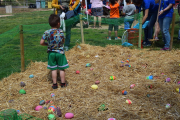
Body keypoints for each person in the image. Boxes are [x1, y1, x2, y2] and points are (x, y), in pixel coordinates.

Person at [40, 14, 69, 89]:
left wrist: (48, 44)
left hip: (51, 53)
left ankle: (55, 84)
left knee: (53, 69)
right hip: (60, 53)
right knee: (62, 68)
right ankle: (63, 83)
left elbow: (41, 42)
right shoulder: (61, 32)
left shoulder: (46, 32)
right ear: (59, 23)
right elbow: (63, 41)